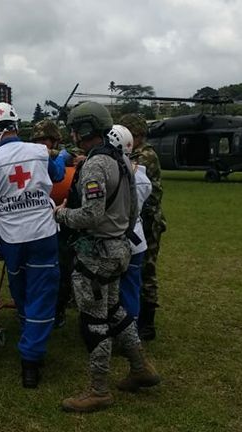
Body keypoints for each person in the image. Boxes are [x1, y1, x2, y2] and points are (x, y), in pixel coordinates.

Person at [55, 102, 160, 413]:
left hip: (97, 253)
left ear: (85, 128)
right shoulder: (123, 160)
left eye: (75, 127)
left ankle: (99, 389)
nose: (72, 132)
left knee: (94, 321)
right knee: (114, 311)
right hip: (120, 248)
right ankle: (141, 367)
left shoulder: (95, 165)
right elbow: (132, 212)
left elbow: (90, 214)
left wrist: (61, 215)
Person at [0, 102, 65, 388]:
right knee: (42, 292)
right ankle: (31, 357)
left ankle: (30, 341)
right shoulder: (39, 151)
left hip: (11, 237)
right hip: (42, 233)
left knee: (22, 290)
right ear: (17, 125)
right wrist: (61, 156)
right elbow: (59, 174)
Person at [120, 113, 167, 341]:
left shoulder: (145, 155)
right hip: (142, 218)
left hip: (149, 221)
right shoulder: (136, 153)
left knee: (146, 269)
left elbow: (125, 167)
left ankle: (147, 323)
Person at [30, 119, 72, 328]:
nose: (40, 144)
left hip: (63, 221)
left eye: (44, 140)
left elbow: (61, 173)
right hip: (37, 221)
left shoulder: (68, 156)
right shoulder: (30, 156)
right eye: (36, 140)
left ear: (55, 141)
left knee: (63, 266)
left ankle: (59, 307)